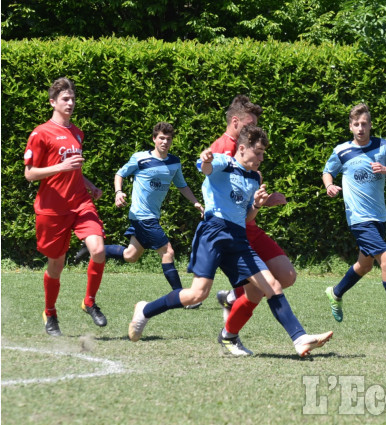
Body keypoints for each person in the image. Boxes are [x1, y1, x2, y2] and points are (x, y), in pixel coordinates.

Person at [128, 124, 333, 357]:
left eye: (263, 153)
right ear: (242, 148)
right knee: (197, 294)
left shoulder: (254, 178)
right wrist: (205, 159)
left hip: (238, 238)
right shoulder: (224, 163)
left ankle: (299, 338)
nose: (261, 158)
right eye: (258, 152)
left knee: (272, 285)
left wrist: (256, 204)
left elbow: (247, 218)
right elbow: (205, 167)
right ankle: (145, 310)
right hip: (213, 233)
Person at [76, 122, 204, 303]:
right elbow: (119, 174)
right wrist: (118, 192)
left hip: (151, 215)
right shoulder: (140, 159)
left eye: (168, 139)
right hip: (143, 216)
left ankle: (94, 249)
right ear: (154, 139)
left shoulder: (174, 162)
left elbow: (181, 185)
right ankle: (181, 297)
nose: (165, 142)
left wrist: (196, 203)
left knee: (131, 255)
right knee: (168, 252)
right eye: (161, 138)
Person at [209, 95, 297, 355]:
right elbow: (220, 195)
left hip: (251, 227)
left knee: (287, 276)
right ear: (235, 122)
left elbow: (246, 196)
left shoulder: (248, 148)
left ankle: (231, 300)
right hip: (234, 234)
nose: (252, 130)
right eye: (249, 124)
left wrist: (265, 202)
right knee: (259, 290)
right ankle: (230, 333)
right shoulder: (221, 149)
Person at [322, 103, 386, 334]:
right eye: (356, 124)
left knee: (364, 265)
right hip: (358, 218)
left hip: (379, 217)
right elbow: (328, 171)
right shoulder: (342, 151)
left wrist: (385, 170)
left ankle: (335, 292)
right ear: (350, 127)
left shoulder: (383, 146)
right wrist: (329, 186)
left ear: (370, 125)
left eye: (364, 124)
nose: (360, 128)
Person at [24, 77, 108, 336]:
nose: (70, 103)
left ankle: (89, 302)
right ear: (53, 102)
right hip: (52, 209)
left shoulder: (77, 132)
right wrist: (60, 167)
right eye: (65, 99)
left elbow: (75, 170)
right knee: (56, 265)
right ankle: (50, 313)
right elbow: (30, 174)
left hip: (80, 203)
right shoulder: (41, 133)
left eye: (73, 99)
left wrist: (90, 185)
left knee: (99, 249)